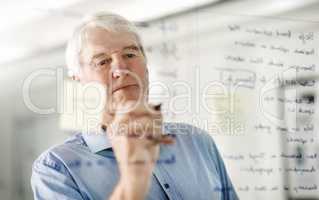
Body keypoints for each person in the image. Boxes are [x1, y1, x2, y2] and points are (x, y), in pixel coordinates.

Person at [31, 11, 238, 200]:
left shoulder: (198, 143)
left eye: (130, 54)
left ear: (146, 67)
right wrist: (133, 180)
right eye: (102, 61)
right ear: (78, 81)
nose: (121, 69)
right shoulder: (56, 169)